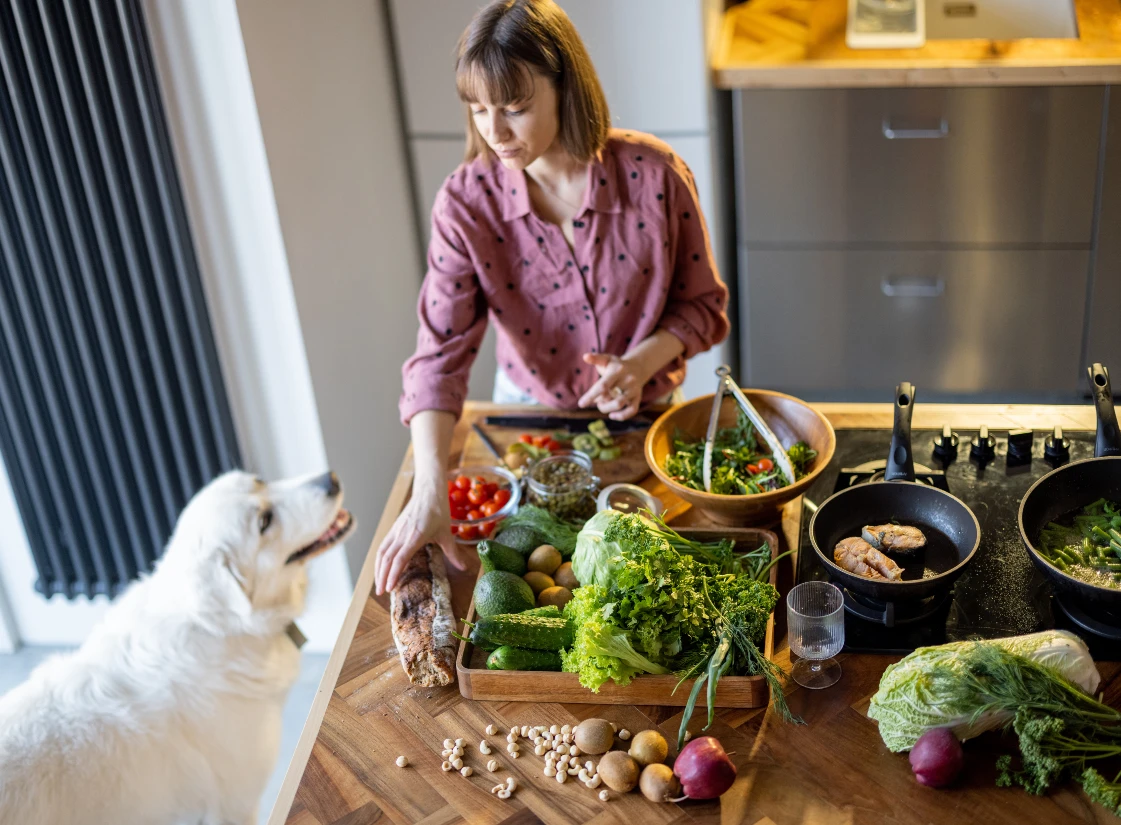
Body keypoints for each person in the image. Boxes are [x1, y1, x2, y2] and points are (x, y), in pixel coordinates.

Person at [374, 0, 729, 595]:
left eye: (514, 107)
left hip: (647, 415)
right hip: (527, 417)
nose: (494, 131)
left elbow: (702, 306)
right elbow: (438, 358)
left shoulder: (655, 175)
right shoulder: (466, 203)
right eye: (478, 108)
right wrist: (430, 491)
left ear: (566, 86)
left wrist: (640, 364)